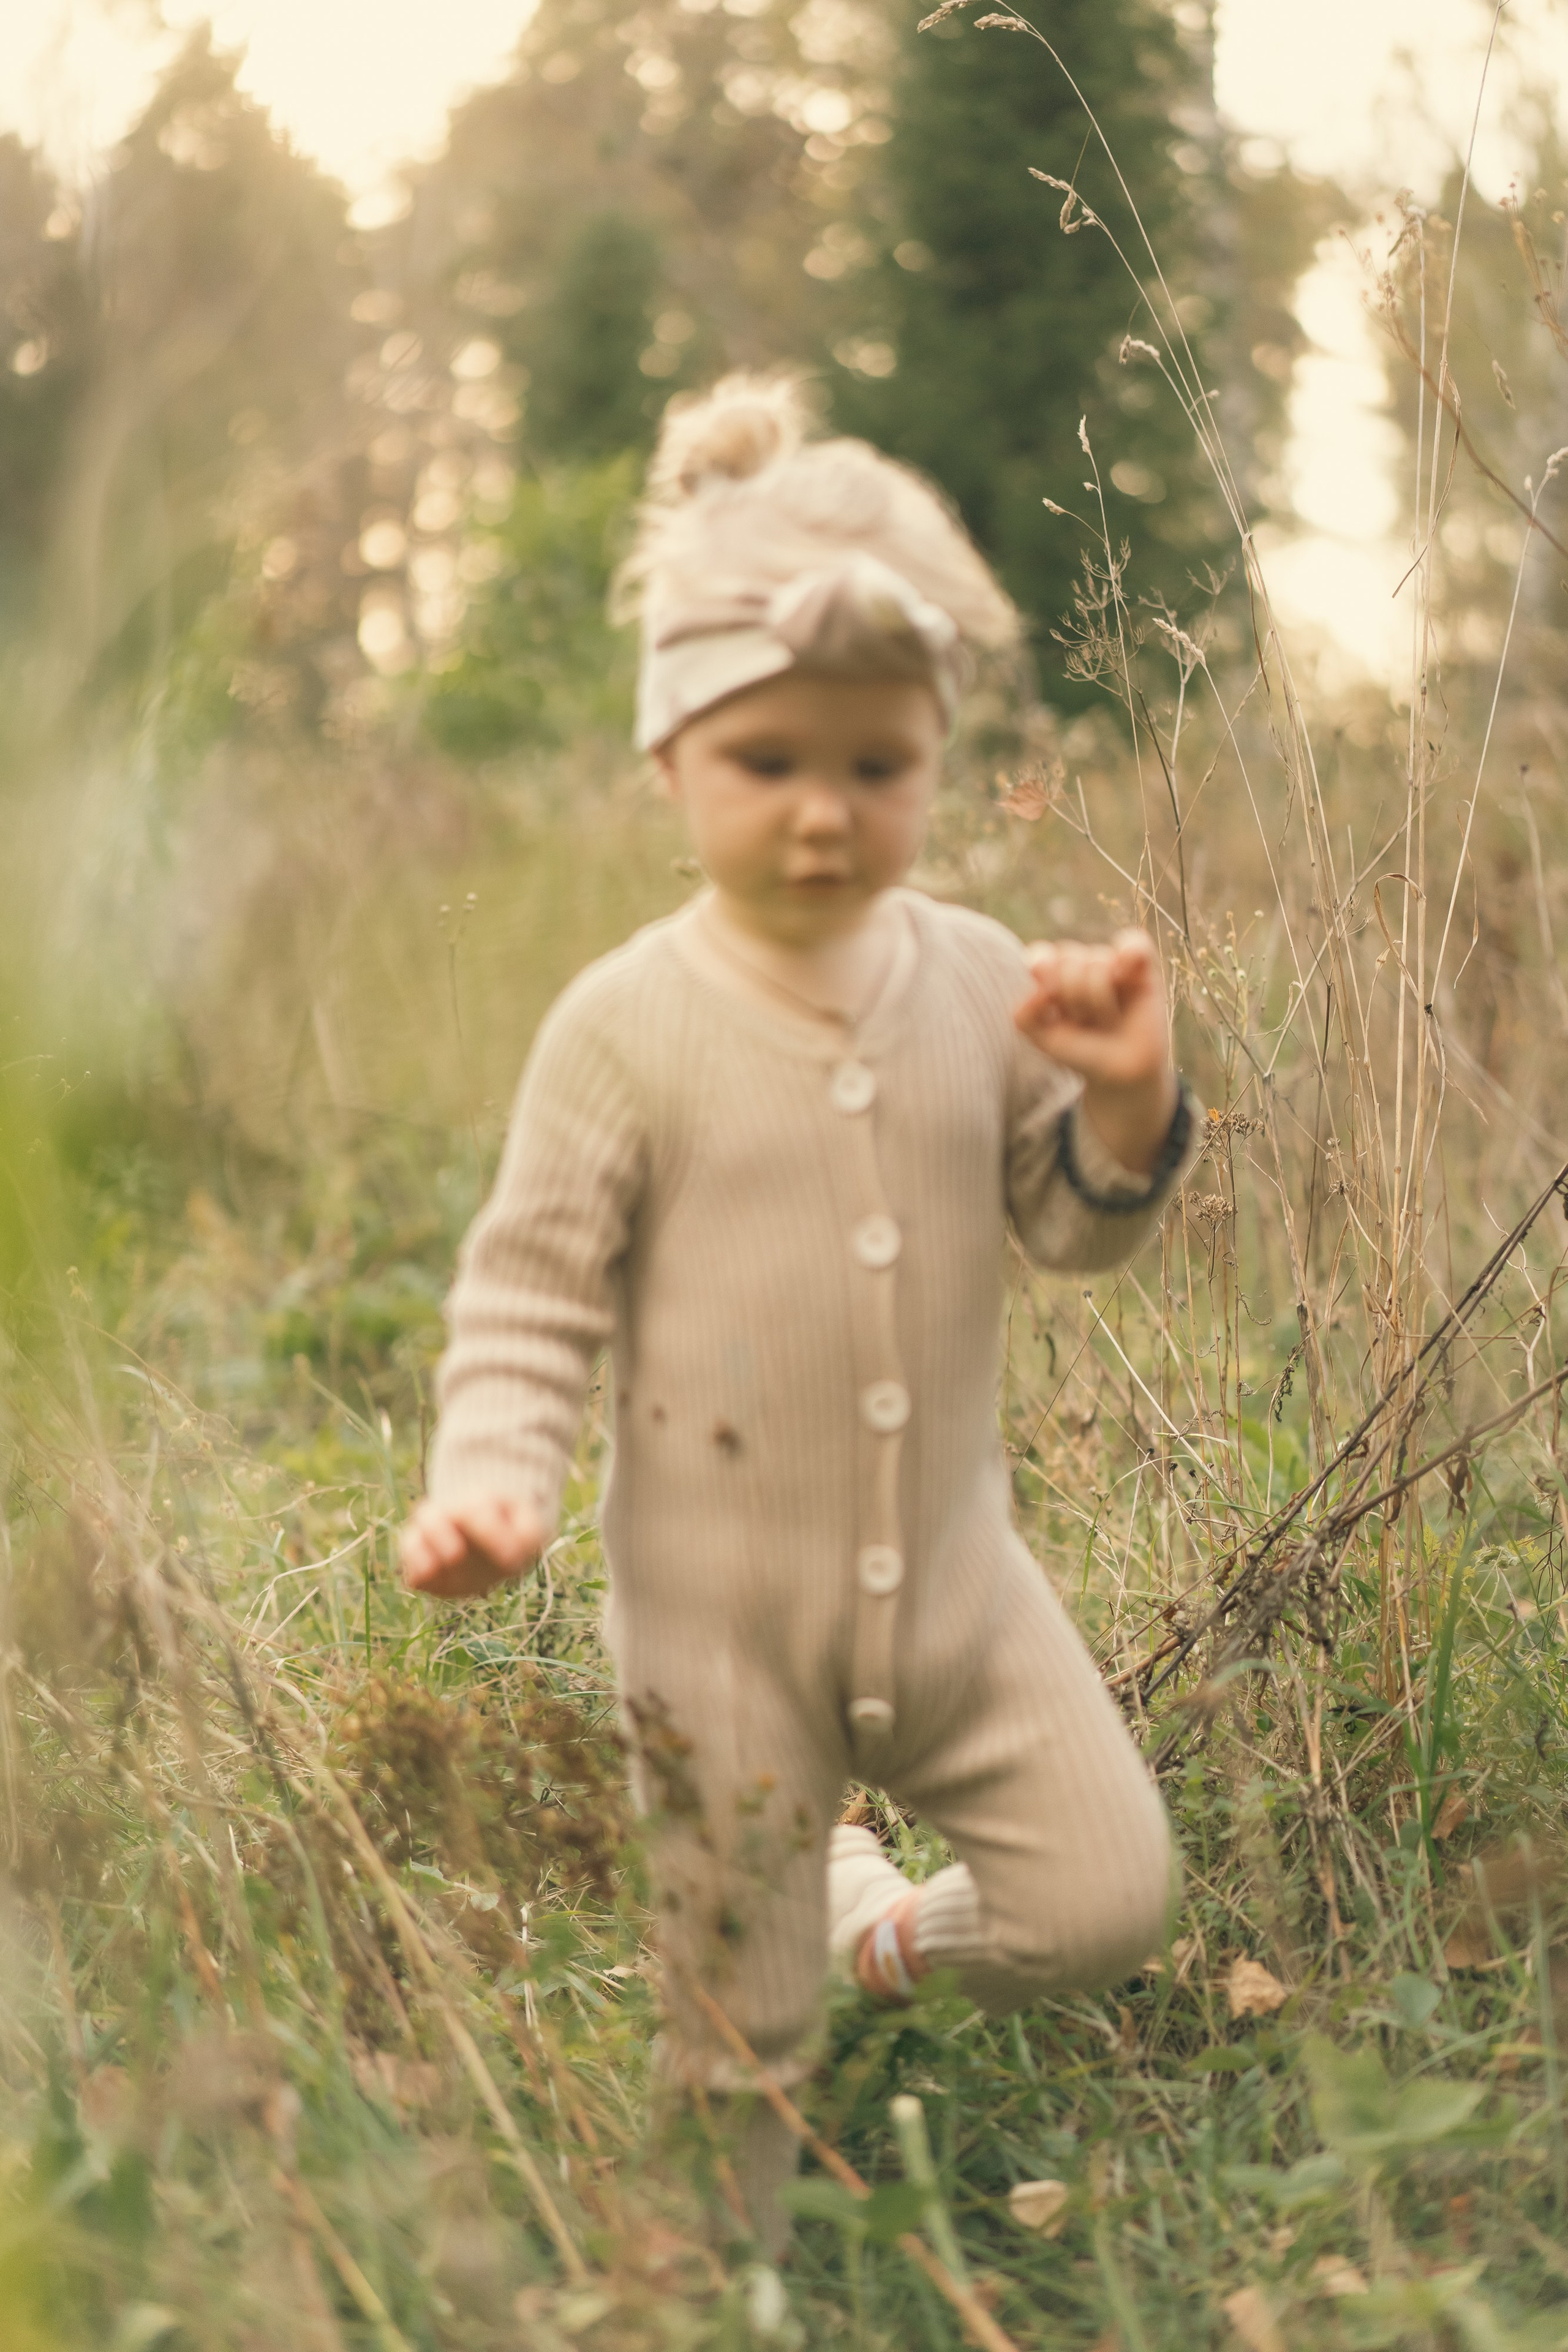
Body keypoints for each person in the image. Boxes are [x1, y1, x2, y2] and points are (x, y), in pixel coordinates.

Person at [401, 373, 1198, 2253]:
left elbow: (1076, 1238)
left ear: (932, 755)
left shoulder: (984, 978)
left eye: (878, 765)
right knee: (733, 2036)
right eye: (771, 763)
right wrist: (491, 1481)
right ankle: (701, 2289)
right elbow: (526, 1293)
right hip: (721, 1643)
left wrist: (1127, 1101)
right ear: (669, 761)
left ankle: (886, 1931)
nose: (828, 816)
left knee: (1103, 1900)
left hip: (960, 1597)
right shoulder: (626, 1025)